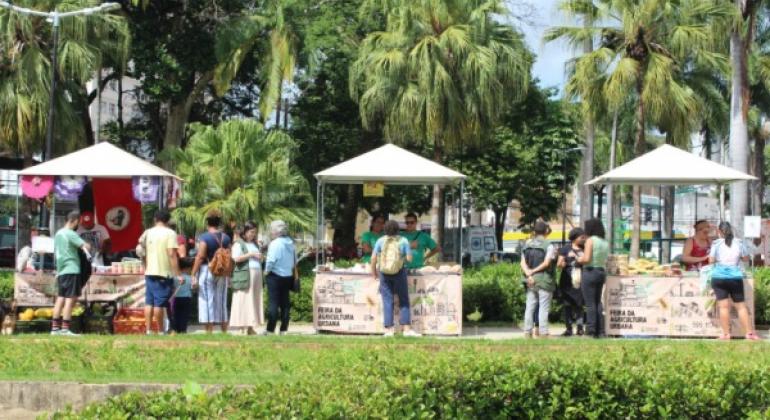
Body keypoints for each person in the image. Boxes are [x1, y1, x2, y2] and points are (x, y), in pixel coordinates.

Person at [708, 221, 759, 340]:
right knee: (741, 306)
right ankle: (749, 334)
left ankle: (726, 334)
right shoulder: (739, 242)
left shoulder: (716, 243)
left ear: (719, 231)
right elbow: (746, 259)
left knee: (723, 307)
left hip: (719, 278)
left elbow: (711, 261)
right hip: (735, 278)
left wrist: (719, 260)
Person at [371, 220, 421, 337]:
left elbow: (373, 258)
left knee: (387, 300)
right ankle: (407, 329)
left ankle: (389, 330)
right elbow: (409, 259)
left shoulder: (380, 241)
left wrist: (374, 273)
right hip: (399, 272)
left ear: (385, 229)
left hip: (384, 273)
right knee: (403, 300)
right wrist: (408, 253)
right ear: (398, 229)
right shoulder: (403, 241)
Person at [138, 210, 183, 335]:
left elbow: (142, 250)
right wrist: (178, 274)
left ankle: (148, 330)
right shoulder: (170, 233)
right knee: (159, 303)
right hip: (163, 272)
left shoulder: (148, 232)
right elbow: (172, 254)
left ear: (155, 219)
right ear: (168, 221)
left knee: (149, 301)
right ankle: (161, 330)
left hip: (149, 271)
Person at [51, 211, 91, 336]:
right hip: (72, 268)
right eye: (78, 222)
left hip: (61, 270)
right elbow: (86, 246)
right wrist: (88, 244)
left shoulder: (58, 233)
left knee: (60, 298)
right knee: (70, 299)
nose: (78, 224)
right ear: (74, 220)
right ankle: (65, 329)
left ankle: (55, 329)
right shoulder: (70, 233)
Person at [192, 210, 232, 334]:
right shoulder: (226, 237)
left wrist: (193, 273)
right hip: (222, 272)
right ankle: (224, 330)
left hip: (207, 270)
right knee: (221, 300)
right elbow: (230, 256)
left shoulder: (204, 237)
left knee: (207, 300)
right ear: (219, 222)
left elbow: (200, 256)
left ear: (207, 222)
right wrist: (229, 274)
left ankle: (209, 331)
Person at [520, 221, 556, 338]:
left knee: (529, 307)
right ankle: (543, 332)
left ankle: (527, 332)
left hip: (530, 281)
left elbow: (522, 262)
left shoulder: (527, 244)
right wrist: (534, 272)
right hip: (544, 280)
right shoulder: (549, 245)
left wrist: (529, 274)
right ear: (546, 231)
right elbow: (546, 263)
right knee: (543, 308)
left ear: (534, 232)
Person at [577, 218, 609, 338]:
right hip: (601, 272)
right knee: (597, 302)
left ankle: (590, 331)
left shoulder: (590, 241)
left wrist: (578, 259)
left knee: (590, 304)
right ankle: (600, 331)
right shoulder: (604, 242)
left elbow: (586, 259)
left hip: (590, 272)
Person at [230, 221, 264, 334]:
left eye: (255, 232)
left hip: (256, 274)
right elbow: (235, 258)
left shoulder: (255, 244)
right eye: (251, 232)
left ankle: (250, 326)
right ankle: (241, 327)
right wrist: (251, 255)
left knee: (253, 300)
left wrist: (260, 257)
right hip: (245, 274)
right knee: (243, 300)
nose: (253, 234)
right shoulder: (238, 244)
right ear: (244, 232)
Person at [264, 220, 296, 335]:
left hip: (275, 275)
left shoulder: (275, 243)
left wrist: (266, 271)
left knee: (273, 303)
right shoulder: (290, 242)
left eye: (272, 229)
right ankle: (284, 329)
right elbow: (294, 261)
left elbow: (271, 261)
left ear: (276, 231)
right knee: (285, 303)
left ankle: (270, 329)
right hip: (287, 275)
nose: (271, 232)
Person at [557, 228, 587, 336]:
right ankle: (568, 328)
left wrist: (578, 257)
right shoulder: (565, 249)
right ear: (574, 238)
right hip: (567, 280)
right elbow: (559, 264)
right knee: (567, 305)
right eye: (581, 237)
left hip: (581, 280)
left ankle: (580, 328)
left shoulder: (585, 248)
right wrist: (563, 262)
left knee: (579, 305)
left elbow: (587, 261)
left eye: (584, 237)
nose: (583, 239)